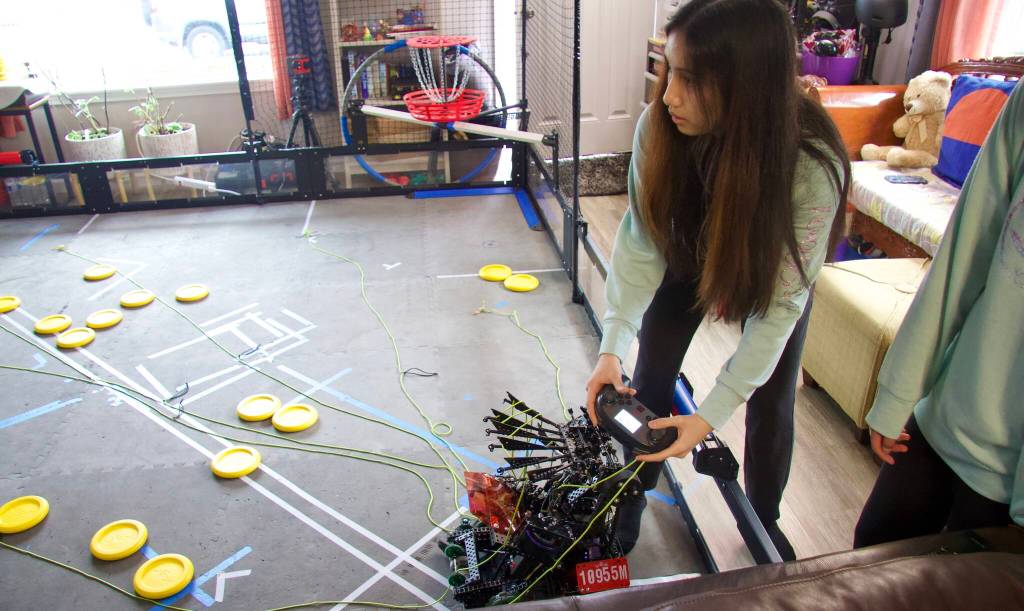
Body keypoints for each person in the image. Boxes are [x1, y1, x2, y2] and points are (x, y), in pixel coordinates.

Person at [584, 0, 850, 559]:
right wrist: (612, 345)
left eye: (691, 79)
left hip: (770, 271)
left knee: (774, 398)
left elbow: (780, 309)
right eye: (668, 70)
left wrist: (710, 415)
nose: (669, 95)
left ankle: (764, 519)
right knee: (651, 374)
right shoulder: (660, 126)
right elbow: (640, 240)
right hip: (688, 252)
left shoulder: (810, 167)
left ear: (746, 86)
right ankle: (633, 493)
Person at [853, 81, 1023, 548]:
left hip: (1008, 483)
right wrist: (898, 393)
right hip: (949, 415)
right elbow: (963, 255)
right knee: (871, 549)